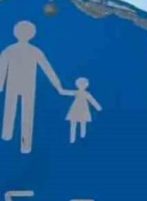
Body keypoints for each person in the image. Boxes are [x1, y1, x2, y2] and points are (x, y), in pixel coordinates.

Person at [0, 21, 66, 154]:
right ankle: (23, 144)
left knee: (11, 111)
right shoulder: (34, 51)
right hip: (25, 86)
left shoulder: (10, 49)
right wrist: (58, 87)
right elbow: (48, 70)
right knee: (26, 115)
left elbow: (1, 69)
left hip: (18, 86)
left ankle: (8, 136)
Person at [64, 77, 101, 143]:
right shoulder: (76, 92)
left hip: (83, 109)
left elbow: (92, 100)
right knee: (74, 124)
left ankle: (82, 137)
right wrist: (61, 91)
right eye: (80, 84)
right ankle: (72, 139)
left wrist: (98, 107)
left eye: (83, 84)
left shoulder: (86, 94)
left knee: (83, 123)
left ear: (86, 85)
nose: (82, 86)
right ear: (77, 85)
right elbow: (67, 92)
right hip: (76, 109)